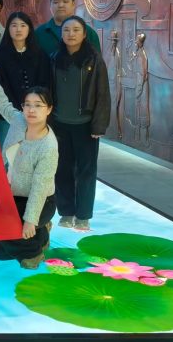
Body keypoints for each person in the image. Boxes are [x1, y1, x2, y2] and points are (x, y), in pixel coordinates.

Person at [0, 60, 58, 269]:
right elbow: (2, 103)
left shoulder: (48, 146)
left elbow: (40, 188)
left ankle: (34, 250)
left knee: (2, 226)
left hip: (41, 202)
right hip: (14, 196)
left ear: (49, 109)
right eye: (27, 104)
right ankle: (41, 235)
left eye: (38, 105)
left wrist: (31, 221)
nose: (31, 110)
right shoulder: (19, 121)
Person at [50, 16, 111, 232]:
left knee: (86, 171)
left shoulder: (94, 60)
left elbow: (103, 94)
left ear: (84, 34)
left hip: (85, 125)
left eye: (76, 30)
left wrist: (99, 125)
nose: (71, 34)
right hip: (59, 124)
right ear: (61, 34)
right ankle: (66, 212)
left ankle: (83, 216)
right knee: (62, 169)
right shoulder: (54, 58)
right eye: (66, 30)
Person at [0, 12, 51, 146]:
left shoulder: (40, 54)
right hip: (7, 116)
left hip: (34, 114)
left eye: (23, 25)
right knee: (7, 153)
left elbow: (45, 83)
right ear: (8, 29)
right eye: (14, 25)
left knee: (31, 152)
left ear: (29, 29)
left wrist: (34, 106)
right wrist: (15, 111)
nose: (18, 29)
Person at [36, 0, 101, 56]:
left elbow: (97, 60)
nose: (60, 5)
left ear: (73, 4)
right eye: (56, 2)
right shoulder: (39, 33)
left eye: (65, 1)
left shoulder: (88, 32)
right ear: (50, 6)